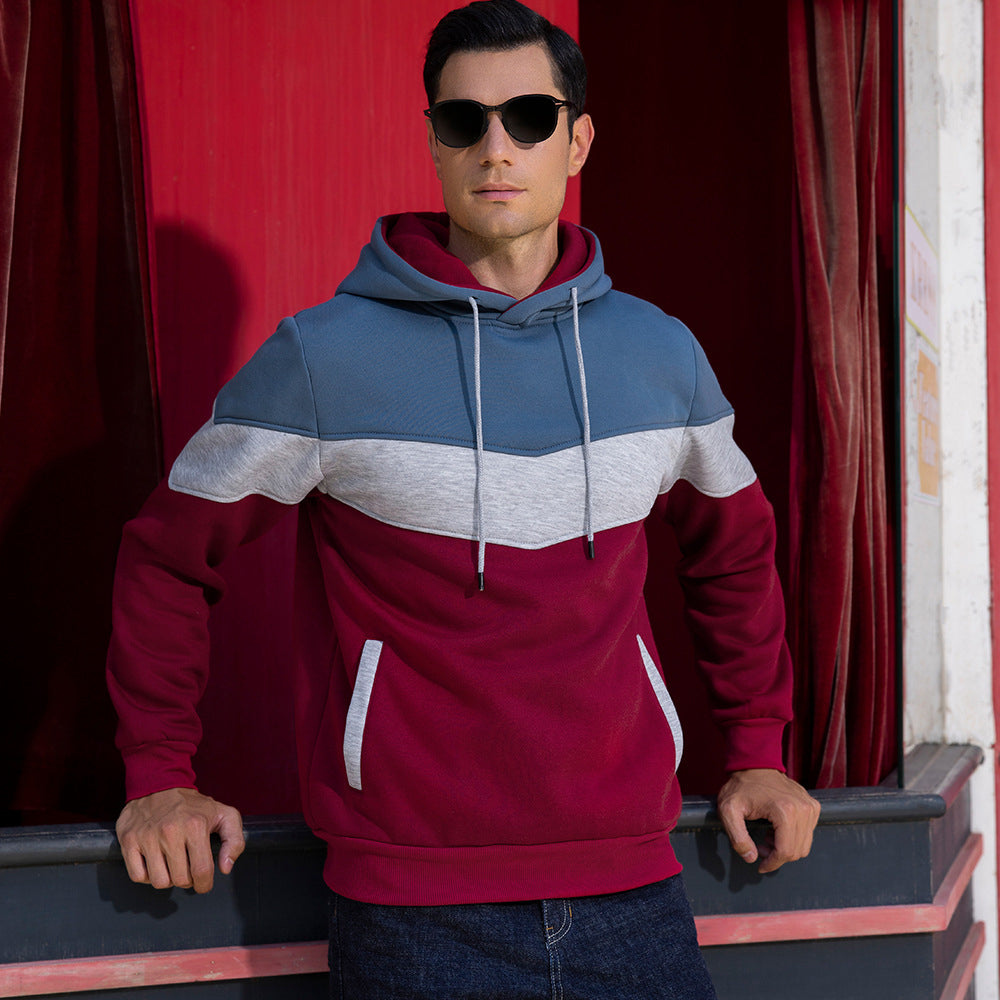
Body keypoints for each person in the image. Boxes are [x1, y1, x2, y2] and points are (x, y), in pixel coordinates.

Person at [108, 1, 820, 996]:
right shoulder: (322, 359)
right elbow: (167, 556)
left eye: (529, 117)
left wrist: (758, 749)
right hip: (412, 916)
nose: (496, 147)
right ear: (434, 142)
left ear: (578, 141)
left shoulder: (662, 355)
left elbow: (735, 555)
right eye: (464, 120)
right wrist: (159, 774)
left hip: (635, 896)